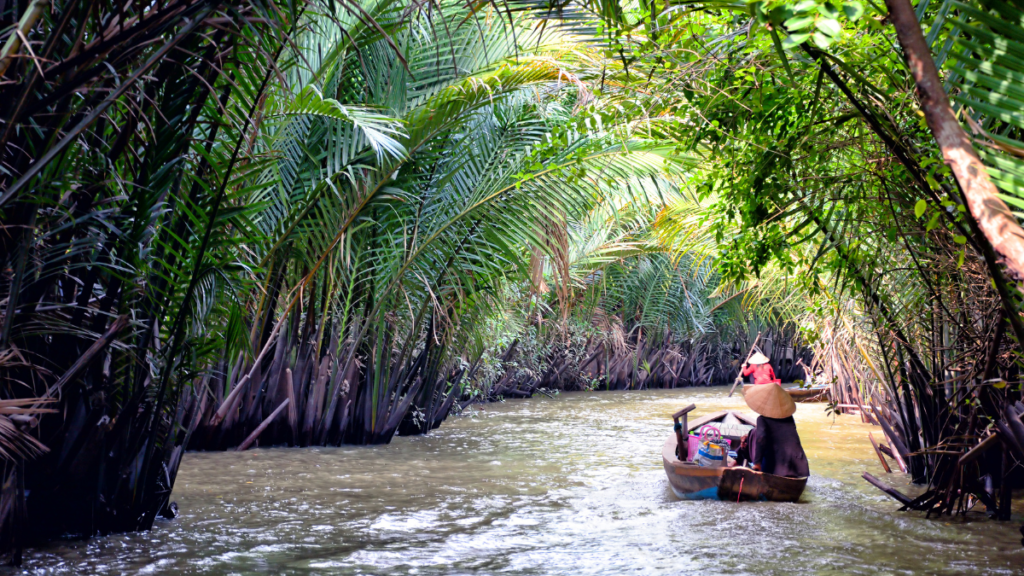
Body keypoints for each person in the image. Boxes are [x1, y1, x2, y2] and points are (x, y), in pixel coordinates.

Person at [743, 382, 809, 478]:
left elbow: (761, 438)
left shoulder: (761, 419)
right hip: (797, 466)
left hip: (779, 468)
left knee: (753, 434)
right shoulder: (789, 418)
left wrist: (757, 463)